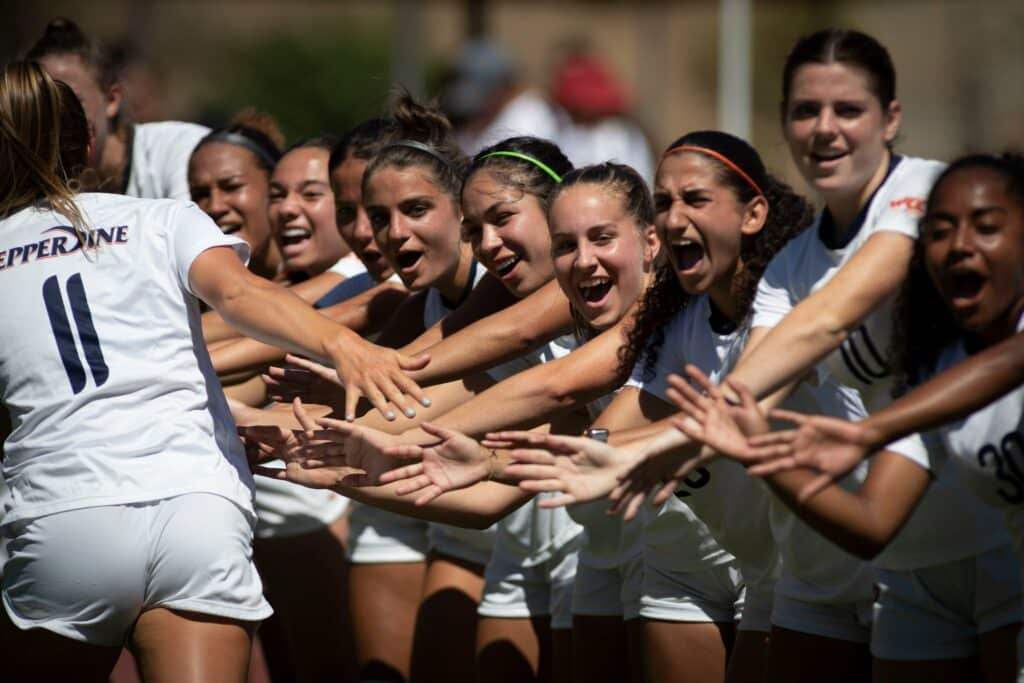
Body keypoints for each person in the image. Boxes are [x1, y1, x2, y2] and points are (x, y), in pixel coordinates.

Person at [0, 60, 405, 681]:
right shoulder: (160, 218)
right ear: (86, 144)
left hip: (63, 512)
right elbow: (241, 299)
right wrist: (343, 346)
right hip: (194, 503)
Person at [671, 153, 1024, 682]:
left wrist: (870, 431)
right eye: (941, 231)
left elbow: (1010, 361)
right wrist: (758, 455)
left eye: (988, 227)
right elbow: (871, 524)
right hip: (907, 578)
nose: (961, 246)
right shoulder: (932, 368)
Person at [28, 17, 209, 200]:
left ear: (112, 99)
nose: (56, 117)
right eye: (43, 103)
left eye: (71, 101)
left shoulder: (179, 151)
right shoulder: (30, 181)